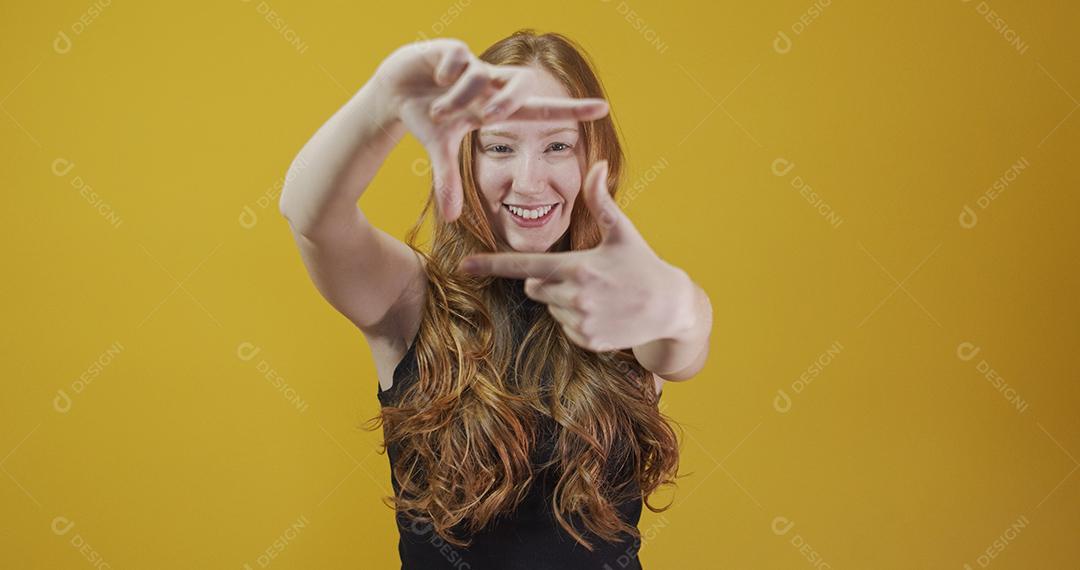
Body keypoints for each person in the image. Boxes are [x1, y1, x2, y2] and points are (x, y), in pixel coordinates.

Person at [279, 29, 713, 569]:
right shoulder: (408, 299)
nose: (528, 182)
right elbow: (311, 215)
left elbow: (682, 344)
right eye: (501, 147)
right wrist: (382, 100)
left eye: (557, 146)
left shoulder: (623, 302)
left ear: (593, 157)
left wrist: (682, 305)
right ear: (467, 157)